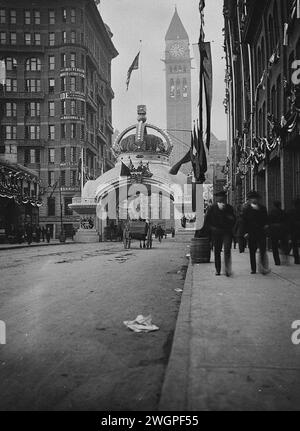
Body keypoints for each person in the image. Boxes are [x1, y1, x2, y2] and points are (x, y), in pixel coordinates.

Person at [205, 191, 236, 277]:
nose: (221, 198)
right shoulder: (212, 208)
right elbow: (207, 221)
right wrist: (211, 230)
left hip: (227, 232)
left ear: (225, 198)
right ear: (217, 198)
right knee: (217, 251)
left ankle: (227, 269)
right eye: (219, 197)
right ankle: (217, 270)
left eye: (223, 197)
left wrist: (230, 220)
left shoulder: (229, 208)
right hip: (216, 233)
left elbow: (234, 219)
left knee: (227, 250)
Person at [241, 191, 270, 275]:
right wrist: (245, 232)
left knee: (263, 250)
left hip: (261, 232)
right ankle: (253, 268)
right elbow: (244, 222)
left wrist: (266, 225)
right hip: (251, 233)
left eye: (255, 198)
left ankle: (263, 267)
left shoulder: (263, 208)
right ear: (249, 200)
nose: (254, 200)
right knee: (252, 251)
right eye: (252, 198)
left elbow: (266, 219)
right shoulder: (246, 210)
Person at [268, 201, 289, 266]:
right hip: (282, 230)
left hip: (274, 231)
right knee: (284, 245)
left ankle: (277, 261)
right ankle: (285, 258)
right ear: (280, 205)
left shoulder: (271, 212)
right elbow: (286, 221)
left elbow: (268, 222)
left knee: (274, 247)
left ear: (274, 205)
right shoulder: (283, 212)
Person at [287, 198, 300, 265]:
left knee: (295, 245)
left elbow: (288, 222)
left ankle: (297, 260)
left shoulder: (290, 211)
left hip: (294, 230)